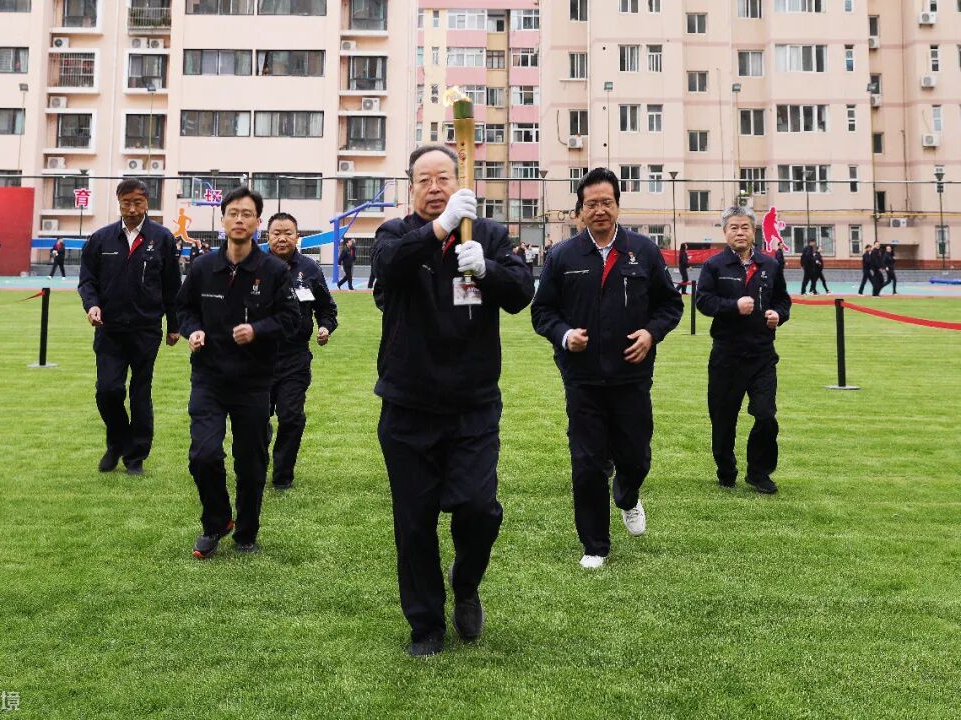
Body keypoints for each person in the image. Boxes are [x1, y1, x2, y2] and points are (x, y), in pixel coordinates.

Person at [372, 145, 533, 657]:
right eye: (424, 179)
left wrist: (488, 270)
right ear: (411, 187)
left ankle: (466, 584)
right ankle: (426, 625)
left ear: (460, 181)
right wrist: (439, 229)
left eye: (444, 177)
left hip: (473, 405)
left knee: (479, 509)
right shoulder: (395, 234)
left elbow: (521, 293)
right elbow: (388, 268)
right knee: (414, 521)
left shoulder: (488, 234)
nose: (435, 187)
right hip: (408, 404)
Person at [532, 167, 683, 570]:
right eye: (591, 204)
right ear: (580, 210)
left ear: (617, 205)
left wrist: (651, 333)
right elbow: (542, 312)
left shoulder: (643, 251)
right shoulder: (563, 256)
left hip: (631, 375)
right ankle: (595, 545)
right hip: (582, 378)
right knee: (587, 463)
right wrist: (565, 335)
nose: (599, 210)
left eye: (606, 202)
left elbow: (670, 305)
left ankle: (628, 495)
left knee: (636, 456)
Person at [175, 187, 300, 559]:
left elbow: (290, 319)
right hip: (209, 378)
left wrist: (257, 330)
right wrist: (193, 331)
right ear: (223, 219)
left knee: (251, 461)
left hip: (254, 381)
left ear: (257, 222)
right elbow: (184, 310)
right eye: (233, 213)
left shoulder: (273, 271)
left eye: (247, 214)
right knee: (203, 455)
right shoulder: (202, 268)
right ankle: (216, 522)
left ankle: (246, 531)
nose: (239, 219)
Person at [78, 179, 181, 476]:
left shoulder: (162, 238)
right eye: (127, 203)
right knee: (107, 390)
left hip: (146, 329)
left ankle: (136, 456)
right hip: (109, 329)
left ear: (147, 203)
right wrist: (92, 305)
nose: (132, 209)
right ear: (119, 203)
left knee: (140, 393)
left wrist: (174, 325)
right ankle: (118, 442)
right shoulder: (101, 239)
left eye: (138, 203)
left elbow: (172, 285)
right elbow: (87, 281)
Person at [695, 206, 792, 495]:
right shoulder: (714, 266)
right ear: (725, 232)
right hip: (727, 355)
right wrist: (732, 306)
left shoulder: (770, 265)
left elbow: (783, 300)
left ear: (754, 231)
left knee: (765, 415)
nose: (740, 232)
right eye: (734, 227)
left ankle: (759, 472)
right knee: (723, 417)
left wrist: (779, 315)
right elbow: (703, 302)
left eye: (745, 227)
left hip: (762, 355)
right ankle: (726, 469)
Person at [264, 212, 338, 490]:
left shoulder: (310, 269)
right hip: (258, 359)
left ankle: (282, 476)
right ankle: (255, 466)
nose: (282, 238)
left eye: (288, 233)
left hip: (294, 358)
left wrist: (325, 327)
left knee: (292, 417)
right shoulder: (253, 266)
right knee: (255, 420)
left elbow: (326, 308)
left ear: (298, 237)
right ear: (267, 237)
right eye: (276, 233)